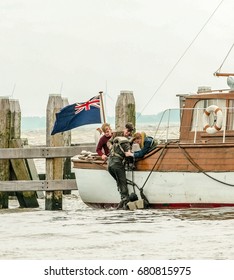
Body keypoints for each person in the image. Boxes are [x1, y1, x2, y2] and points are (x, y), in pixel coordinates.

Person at [107, 135, 132, 209]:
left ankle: (122, 199)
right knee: (122, 182)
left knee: (119, 182)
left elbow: (108, 144)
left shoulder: (116, 143)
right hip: (117, 164)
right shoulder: (126, 143)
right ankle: (125, 201)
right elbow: (128, 154)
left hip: (110, 165)